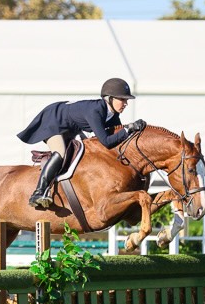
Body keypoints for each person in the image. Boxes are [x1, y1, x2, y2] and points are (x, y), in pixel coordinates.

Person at [17, 77, 145, 208]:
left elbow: (118, 138)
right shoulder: (95, 111)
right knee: (60, 152)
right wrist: (128, 128)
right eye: (122, 99)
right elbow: (107, 142)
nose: (125, 103)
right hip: (52, 122)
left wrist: (132, 131)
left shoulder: (113, 115)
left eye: (126, 100)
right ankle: (39, 192)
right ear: (109, 98)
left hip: (71, 128)